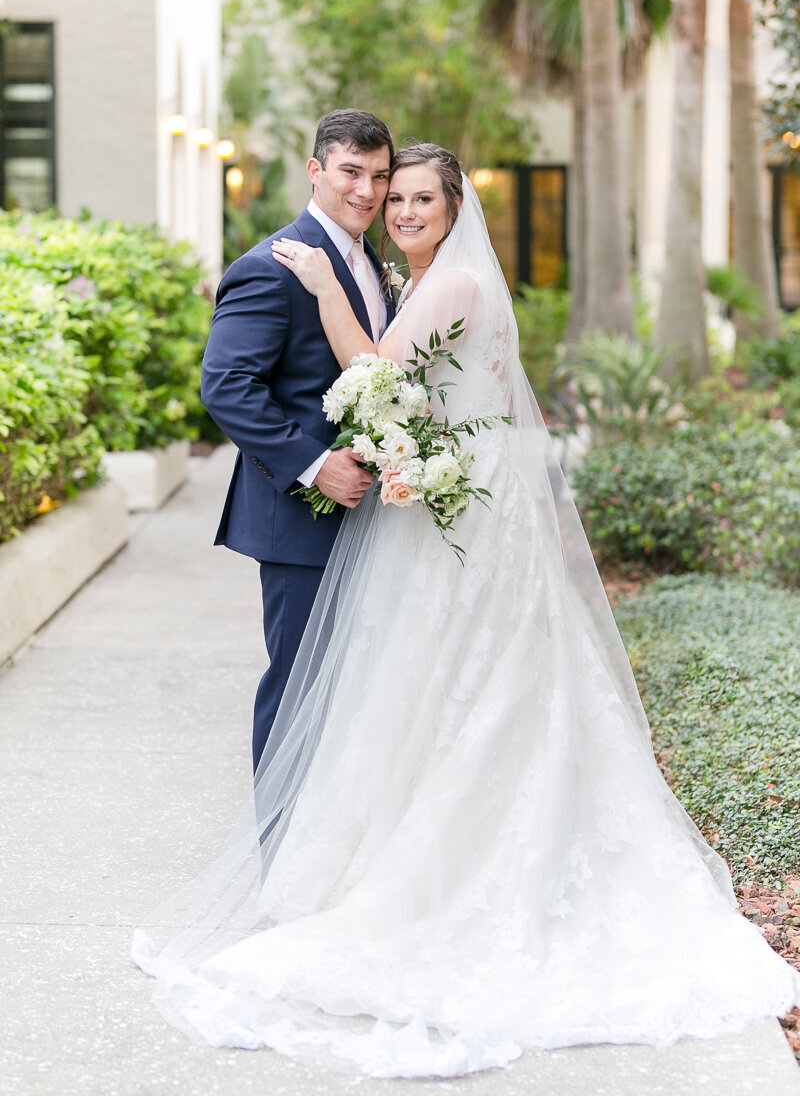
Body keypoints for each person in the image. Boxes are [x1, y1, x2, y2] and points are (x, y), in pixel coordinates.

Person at [134, 145, 800, 1078]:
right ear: (326, 173)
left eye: (415, 196)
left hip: (452, 524)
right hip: (448, 511)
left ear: (455, 207)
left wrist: (329, 292)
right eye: (388, 192)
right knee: (422, 686)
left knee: (441, 684)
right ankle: (333, 868)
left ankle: (403, 876)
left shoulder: (443, 285)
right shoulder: (423, 275)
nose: (396, 208)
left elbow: (373, 374)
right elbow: (255, 381)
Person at [200, 109, 394, 770]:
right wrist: (315, 466)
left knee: (358, 694)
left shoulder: (373, 262)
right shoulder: (271, 267)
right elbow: (227, 385)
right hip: (301, 521)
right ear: (315, 172)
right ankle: (282, 861)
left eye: (378, 176)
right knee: (298, 691)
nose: (365, 191)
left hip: (377, 516)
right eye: (350, 172)